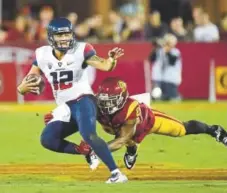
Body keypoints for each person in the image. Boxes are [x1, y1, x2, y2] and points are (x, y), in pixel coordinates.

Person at [17, 17, 127, 184]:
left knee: (88, 134)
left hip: (83, 100)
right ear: (51, 37)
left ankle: (116, 173)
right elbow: (30, 79)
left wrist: (111, 60)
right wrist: (21, 89)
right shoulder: (43, 54)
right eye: (60, 35)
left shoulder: (81, 50)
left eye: (67, 34)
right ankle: (85, 151)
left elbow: (105, 65)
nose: (64, 39)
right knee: (47, 139)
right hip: (66, 107)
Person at [94, 77, 227, 169]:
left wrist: (95, 150)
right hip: (118, 129)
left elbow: (122, 139)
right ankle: (132, 151)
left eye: (110, 100)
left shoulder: (130, 109)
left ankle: (214, 130)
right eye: (103, 100)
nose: (106, 104)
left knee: (181, 129)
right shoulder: (94, 105)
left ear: (121, 99)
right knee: (129, 141)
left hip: (149, 123)